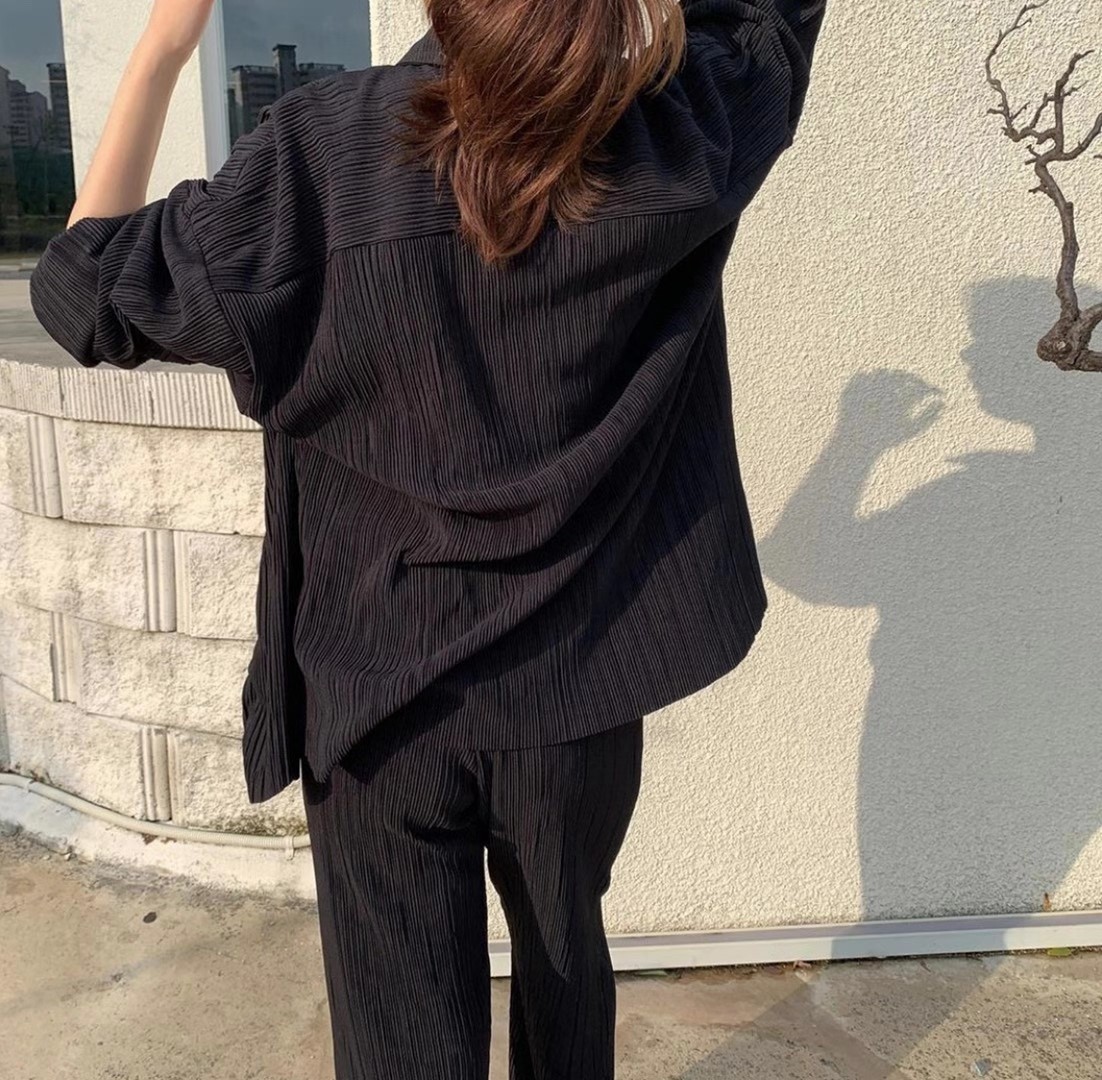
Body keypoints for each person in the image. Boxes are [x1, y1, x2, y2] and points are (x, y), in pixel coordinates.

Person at [28, 0, 828, 1075]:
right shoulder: (678, 135)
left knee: (404, 1040)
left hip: (378, 704)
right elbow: (773, 18)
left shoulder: (324, 155)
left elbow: (81, 288)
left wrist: (167, 43)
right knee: (567, 982)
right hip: (576, 696)